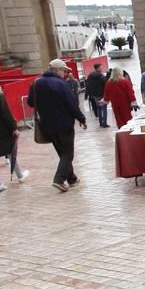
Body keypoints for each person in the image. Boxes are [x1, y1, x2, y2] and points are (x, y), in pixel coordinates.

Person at [27, 58, 88, 192]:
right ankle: (59, 179)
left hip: (47, 125)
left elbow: (31, 102)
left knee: (62, 153)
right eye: (64, 70)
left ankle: (71, 178)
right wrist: (82, 119)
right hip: (64, 124)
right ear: (57, 70)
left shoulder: (36, 83)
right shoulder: (61, 84)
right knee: (68, 153)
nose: (65, 73)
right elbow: (72, 105)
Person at [84, 62, 109, 127]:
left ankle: (100, 122)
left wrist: (88, 94)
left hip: (95, 94)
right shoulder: (100, 75)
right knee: (104, 108)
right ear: (97, 68)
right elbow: (106, 83)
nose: (102, 68)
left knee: (99, 108)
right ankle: (104, 123)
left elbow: (88, 85)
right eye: (101, 67)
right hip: (102, 94)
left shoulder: (90, 75)